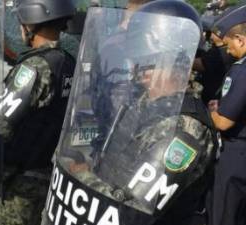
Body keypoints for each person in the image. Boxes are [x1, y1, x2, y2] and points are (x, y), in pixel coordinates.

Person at [68, 1, 217, 225]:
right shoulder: (141, 101)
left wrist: (83, 177)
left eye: (142, 56)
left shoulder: (185, 129)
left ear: (166, 58)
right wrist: (92, 168)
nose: (135, 64)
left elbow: (134, 207)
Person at [0, 0, 76, 224]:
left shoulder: (34, 68)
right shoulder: (68, 63)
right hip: (45, 180)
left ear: (30, 25)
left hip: (15, 188)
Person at [207, 4, 246, 225]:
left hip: (237, 157)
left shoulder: (242, 69)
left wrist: (211, 111)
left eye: (229, 45)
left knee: (224, 215)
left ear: (240, 40)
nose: (228, 51)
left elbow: (222, 122)